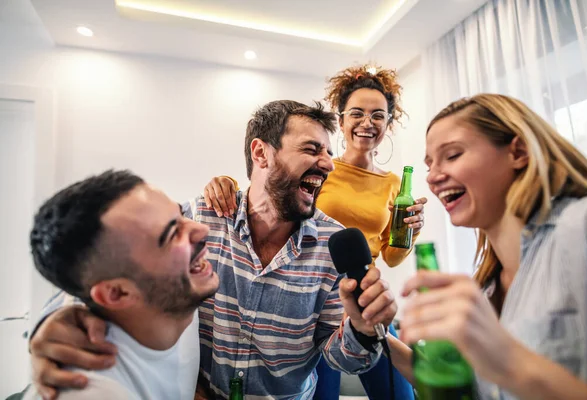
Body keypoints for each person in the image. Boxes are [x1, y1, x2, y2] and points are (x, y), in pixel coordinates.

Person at [27, 100, 399, 400]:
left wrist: (362, 332)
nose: (328, 163)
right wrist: (56, 320)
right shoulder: (201, 216)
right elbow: (111, 265)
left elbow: (343, 359)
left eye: (328, 152)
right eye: (311, 149)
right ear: (261, 153)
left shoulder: (331, 246)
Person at [203, 64, 425, 399]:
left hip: (359, 297)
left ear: (388, 124)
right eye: (358, 113)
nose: (368, 122)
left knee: (398, 394)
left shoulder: (394, 183)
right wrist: (225, 184)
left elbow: (391, 257)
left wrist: (409, 233)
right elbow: (267, 192)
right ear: (343, 118)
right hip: (309, 300)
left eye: (378, 115)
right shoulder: (320, 171)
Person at [388, 93, 587, 399]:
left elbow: (509, 368)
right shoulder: (485, 287)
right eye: (429, 164)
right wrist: (381, 334)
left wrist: (508, 360)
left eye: (452, 155)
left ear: (519, 152)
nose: (433, 177)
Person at [23, 170, 220, 399]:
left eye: (181, 215)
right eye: (172, 234)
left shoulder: (172, 298)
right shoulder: (89, 390)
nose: (202, 230)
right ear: (117, 293)